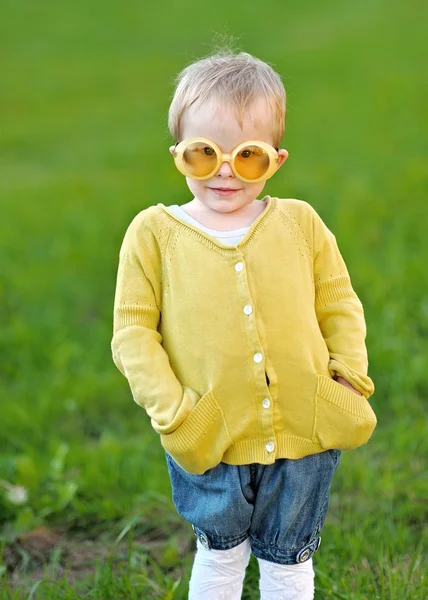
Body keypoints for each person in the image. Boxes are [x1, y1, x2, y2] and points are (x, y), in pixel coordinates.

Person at [110, 47, 377, 600]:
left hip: (303, 426)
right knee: (219, 555)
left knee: (288, 561)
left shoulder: (300, 223)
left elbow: (338, 300)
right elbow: (133, 334)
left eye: (247, 157)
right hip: (211, 430)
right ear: (178, 154)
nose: (226, 171)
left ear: (276, 159)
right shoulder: (154, 234)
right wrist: (176, 412)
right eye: (204, 154)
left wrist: (348, 374)